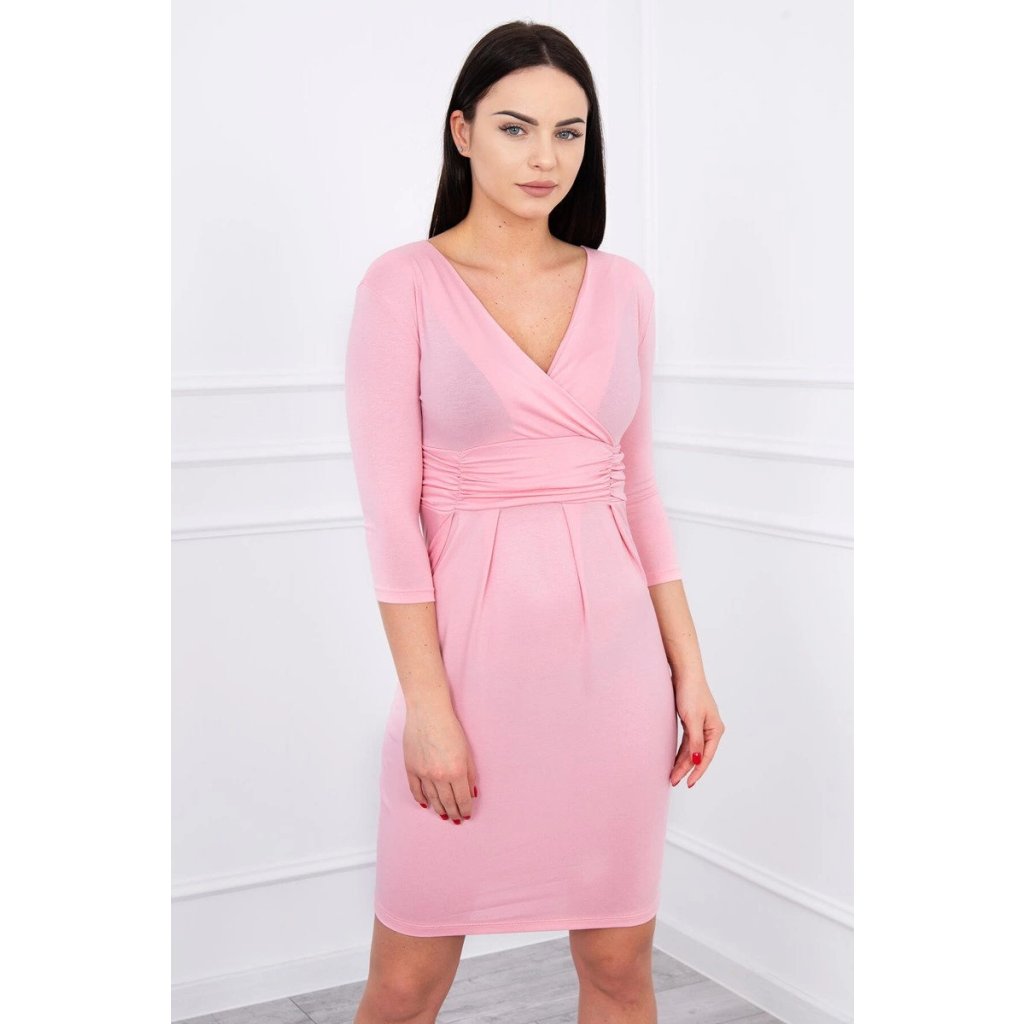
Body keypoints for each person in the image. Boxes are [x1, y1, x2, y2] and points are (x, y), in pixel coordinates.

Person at [345, 20, 725, 1024]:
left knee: (618, 968)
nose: (544, 157)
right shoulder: (402, 285)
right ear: (462, 132)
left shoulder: (623, 288)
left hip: (614, 681)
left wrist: (689, 667)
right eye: (516, 128)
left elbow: (638, 491)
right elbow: (390, 519)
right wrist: (427, 709)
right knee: (406, 984)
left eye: (569, 132)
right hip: (466, 681)